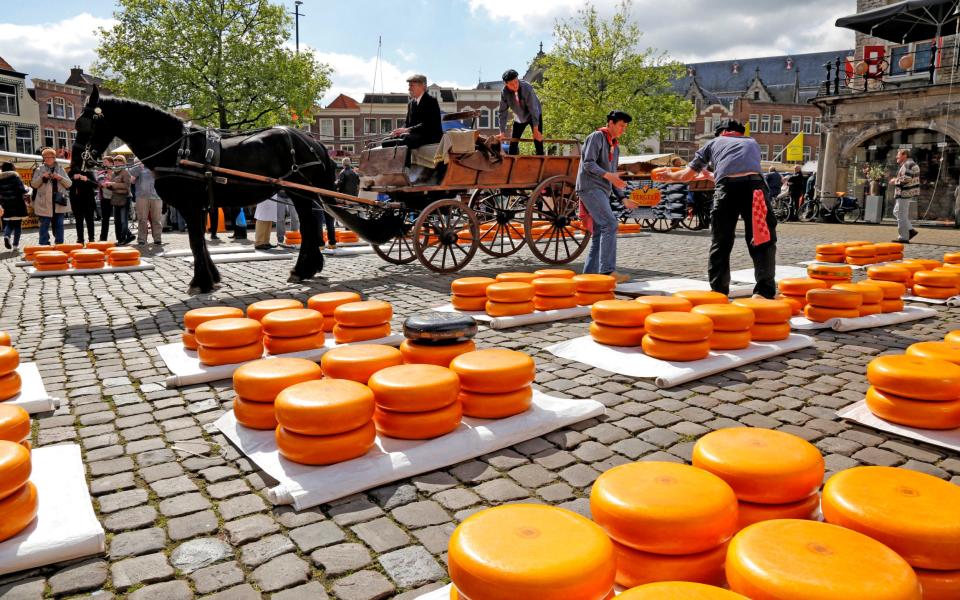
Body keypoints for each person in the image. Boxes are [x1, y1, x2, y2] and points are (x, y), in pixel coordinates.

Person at [661, 118, 777, 299]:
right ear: (739, 133)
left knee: (721, 241)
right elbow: (741, 172)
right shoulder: (752, 143)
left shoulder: (713, 143)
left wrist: (669, 175)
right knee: (762, 238)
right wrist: (712, 176)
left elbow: (686, 176)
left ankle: (719, 291)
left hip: (727, 190)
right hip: (755, 188)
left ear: (721, 133)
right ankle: (764, 291)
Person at [576, 110, 632, 283]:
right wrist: (610, 176)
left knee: (601, 231)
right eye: (622, 125)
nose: (624, 129)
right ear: (611, 123)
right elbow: (588, 163)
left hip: (601, 189)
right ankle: (607, 272)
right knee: (609, 223)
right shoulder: (596, 137)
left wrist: (623, 198)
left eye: (625, 126)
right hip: (590, 187)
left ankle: (589, 277)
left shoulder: (615, 147)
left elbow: (613, 175)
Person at [381, 74, 442, 149]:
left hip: (429, 137)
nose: (409, 89)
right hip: (414, 136)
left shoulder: (431, 101)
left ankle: (404, 160)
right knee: (385, 142)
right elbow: (407, 123)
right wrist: (398, 131)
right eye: (409, 86)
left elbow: (428, 125)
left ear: (422, 86)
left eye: (411, 86)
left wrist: (407, 130)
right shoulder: (411, 103)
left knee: (405, 140)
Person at [496, 69, 544, 156]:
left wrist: (535, 130)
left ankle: (541, 162)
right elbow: (502, 112)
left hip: (534, 114)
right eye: (511, 84)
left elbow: (533, 109)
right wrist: (502, 131)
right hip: (520, 116)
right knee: (513, 142)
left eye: (516, 82)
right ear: (506, 84)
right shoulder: (504, 93)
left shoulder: (527, 88)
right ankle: (511, 162)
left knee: (538, 141)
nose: (515, 86)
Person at [30, 148, 72, 245]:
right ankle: (44, 244)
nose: (47, 159)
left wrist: (60, 178)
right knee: (44, 225)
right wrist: (42, 177)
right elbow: (34, 185)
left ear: (54, 158)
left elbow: (69, 184)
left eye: (50, 157)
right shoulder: (39, 169)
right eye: (45, 157)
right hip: (44, 202)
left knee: (59, 224)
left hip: (59, 201)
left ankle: (59, 244)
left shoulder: (61, 169)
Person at [890, 148, 920, 243]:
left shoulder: (908, 164)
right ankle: (911, 230)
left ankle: (904, 237)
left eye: (898, 155)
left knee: (901, 215)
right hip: (905, 193)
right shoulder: (909, 163)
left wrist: (895, 180)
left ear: (904, 155)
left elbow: (906, 179)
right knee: (897, 212)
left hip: (904, 193)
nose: (896, 157)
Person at [130, 163, 163, 245]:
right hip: (141, 197)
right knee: (142, 219)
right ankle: (142, 239)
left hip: (157, 197)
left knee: (157, 219)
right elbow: (131, 180)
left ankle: (157, 238)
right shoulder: (138, 167)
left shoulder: (157, 166)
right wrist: (139, 167)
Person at [103, 155, 133, 245]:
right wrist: (108, 186)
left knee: (123, 220)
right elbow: (113, 188)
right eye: (115, 160)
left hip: (125, 198)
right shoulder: (114, 173)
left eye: (119, 160)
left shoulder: (126, 172)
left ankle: (123, 239)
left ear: (123, 162)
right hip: (116, 198)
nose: (116, 161)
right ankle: (127, 236)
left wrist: (113, 184)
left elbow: (126, 186)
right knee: (117, 221)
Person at [0, 162, 28, 252]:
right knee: (17, 225)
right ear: (12, 168)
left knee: (9, 224)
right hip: (17, 204)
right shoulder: (15, 177)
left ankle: (6, 235)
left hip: (5, 204)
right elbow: (22, 190)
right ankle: (15, 245)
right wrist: (27, 189)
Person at [69, 167, 98, 245]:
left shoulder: (89, 173)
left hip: (89, 201)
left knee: (90, 221)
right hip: (76, 202)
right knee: (78, 221)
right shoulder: (71, 173)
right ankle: (80, 239)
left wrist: (87, 180)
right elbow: (66, 185)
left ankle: (91, 238)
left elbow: (96, 185)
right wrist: (72, 178)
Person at [97, 155, 114, 241]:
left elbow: (120, 183)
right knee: (105, 219)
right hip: (105, 199)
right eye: (103, 162)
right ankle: (103, 238)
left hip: (117, 198)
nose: (104, 163)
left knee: (119, 219)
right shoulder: (101, 173)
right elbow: (102, 184)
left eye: (105, 162)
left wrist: (110, 182)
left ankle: (122, 236)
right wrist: (112, 183)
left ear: (111, 163)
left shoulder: (117, 173)